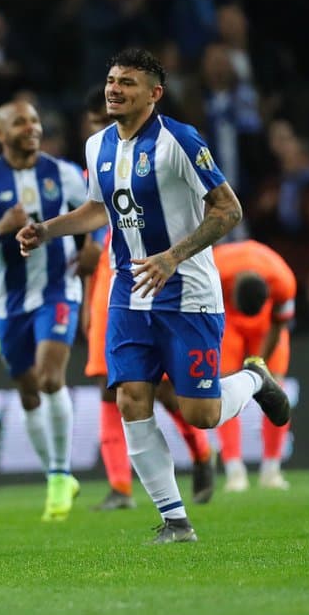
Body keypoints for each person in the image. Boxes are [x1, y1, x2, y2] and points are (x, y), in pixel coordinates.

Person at [17, 48, 291, 544]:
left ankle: (253, 377)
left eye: (127, 82)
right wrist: (49, 229)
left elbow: (228, 210)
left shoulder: (179, 142)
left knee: (200, 415)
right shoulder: (97, 145)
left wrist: (172, 256)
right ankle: (175, 520)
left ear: (154, 94)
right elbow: (99, 211)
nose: (114, 89)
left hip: (186, 292)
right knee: (131, 397)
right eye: (111, 80)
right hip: (128, 291)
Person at [77, 87, 215, 512]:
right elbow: (93, 227)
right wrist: (86, 297)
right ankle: (121, 487)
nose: (103, 129)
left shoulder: (163, 150)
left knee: (171, 393)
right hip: (112, 283)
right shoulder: (95, 158)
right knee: (112, 385)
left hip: (160, 273)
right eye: (96, 123)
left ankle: (201, 452)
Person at [0, 101, 89, 521]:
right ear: (1, 134)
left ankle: (58, 475)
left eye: (35, 119)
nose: (32, 127)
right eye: (21, 122)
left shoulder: (62, 173)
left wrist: (94, 247)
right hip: (11, 303)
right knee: (29, 389)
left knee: (51, 378)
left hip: (58, 290)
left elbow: (101, 211)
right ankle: (56, 474)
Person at [210, 240, 297, 492]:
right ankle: (235, 471)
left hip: (265, 324)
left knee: (276, 386)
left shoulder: (284, 281)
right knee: (222, 389)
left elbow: (279, 324)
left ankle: (272, 470)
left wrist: (260, 367)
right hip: (225, 317)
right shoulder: (214, 269)